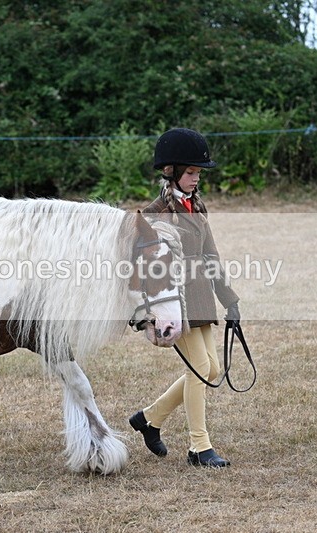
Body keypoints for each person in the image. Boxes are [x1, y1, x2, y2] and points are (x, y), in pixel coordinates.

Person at [129, 127, 240, 468]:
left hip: (201, 297)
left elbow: (211, 255)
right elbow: (142, 265)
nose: (196, 178)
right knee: (199, 369)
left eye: (198, 173)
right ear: (171, 171)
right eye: (191, 172)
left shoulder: (197, 205)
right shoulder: (155, 213)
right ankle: (199, 447)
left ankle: (149, 419)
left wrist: (229, 299)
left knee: (212, 368)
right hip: (175, 302)